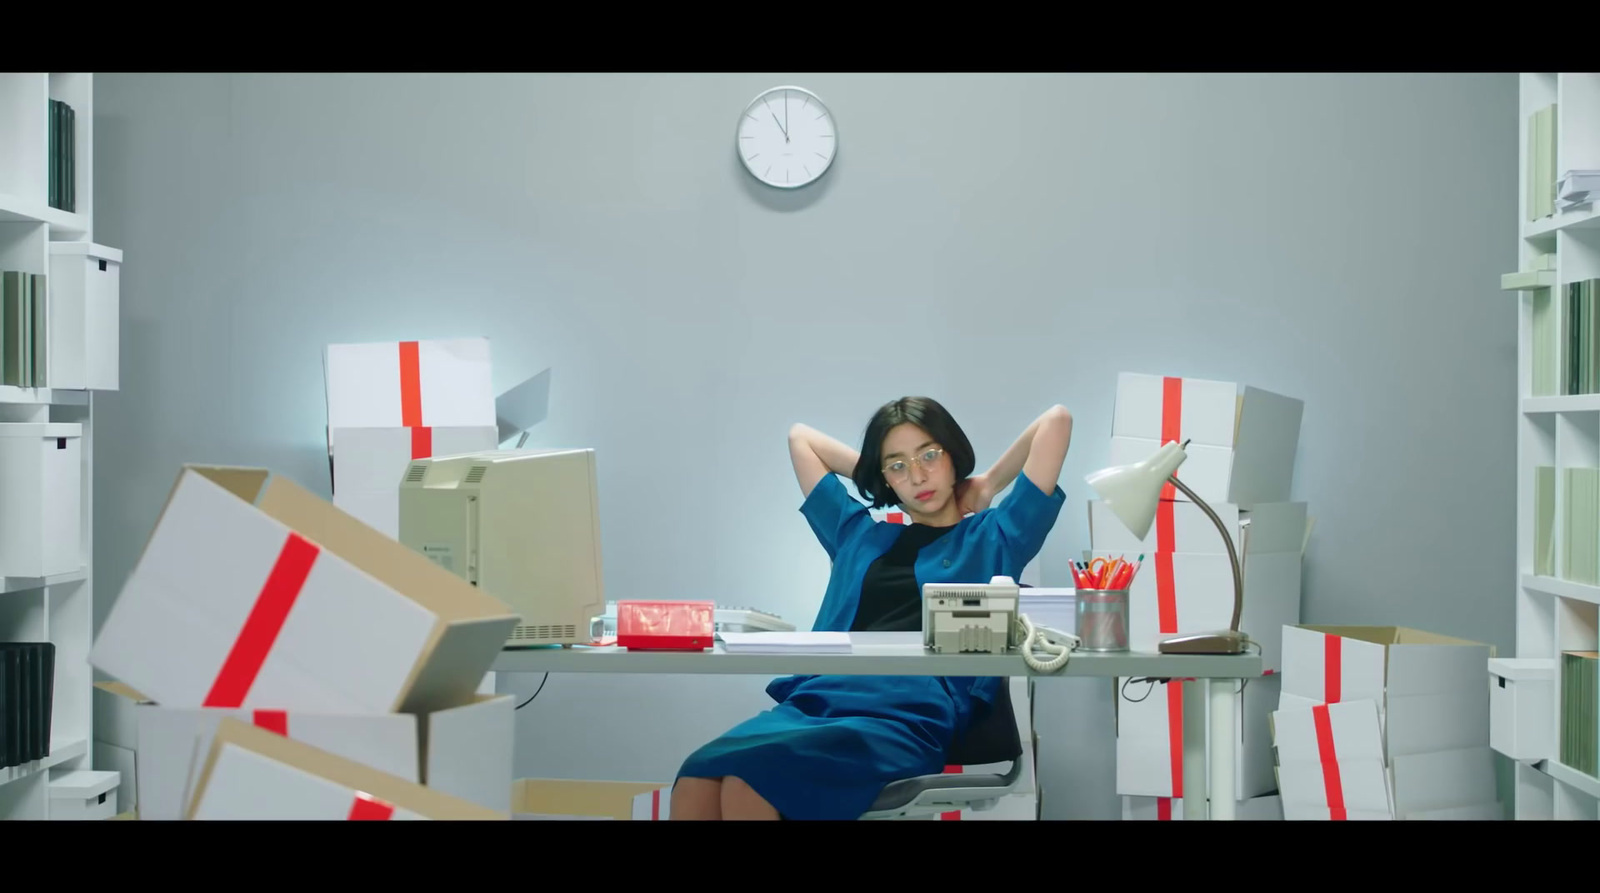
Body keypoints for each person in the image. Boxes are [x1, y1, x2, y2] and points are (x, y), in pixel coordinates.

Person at [670, 396, 1074, 820]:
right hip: (815, 704)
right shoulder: (857, 535)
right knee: (698, 775)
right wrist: (880, 476)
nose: (917, 475)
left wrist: (989, 482)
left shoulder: (995, 538)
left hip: (904, 717)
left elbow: (1056, 421)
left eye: (929, 456)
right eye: (898, 465)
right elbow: (801, 439)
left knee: (752, 783)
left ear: (953, 456)